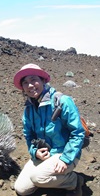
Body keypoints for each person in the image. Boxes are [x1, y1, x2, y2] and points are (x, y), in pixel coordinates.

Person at [13, 63, 85, 196]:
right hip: (45, 156)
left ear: (43, 80)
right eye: (25, 82)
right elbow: (29, 136)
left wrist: (65, 158)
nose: (30, 85)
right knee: (21, 189)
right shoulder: (29, 109)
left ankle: (74, 181)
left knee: (37, 177)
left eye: (34, 79)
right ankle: (50, 180)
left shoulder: (61, 101)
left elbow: (78, 133)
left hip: (65, 153)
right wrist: (35, 152)